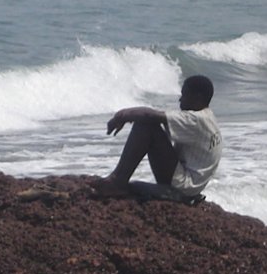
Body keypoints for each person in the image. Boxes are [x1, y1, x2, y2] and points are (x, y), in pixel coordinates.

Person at [92, 75, 222, 201]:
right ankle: (119, 179)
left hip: (184, 186)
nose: (180, 100)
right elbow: (158, 118)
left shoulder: (195, 120)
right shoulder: (207, 117)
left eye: (184, 95)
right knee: (150, 124)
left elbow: (150, 116)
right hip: (193, 185)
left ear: (197, 98)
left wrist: (122, 115)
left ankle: (117, 181)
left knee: (146, 126)